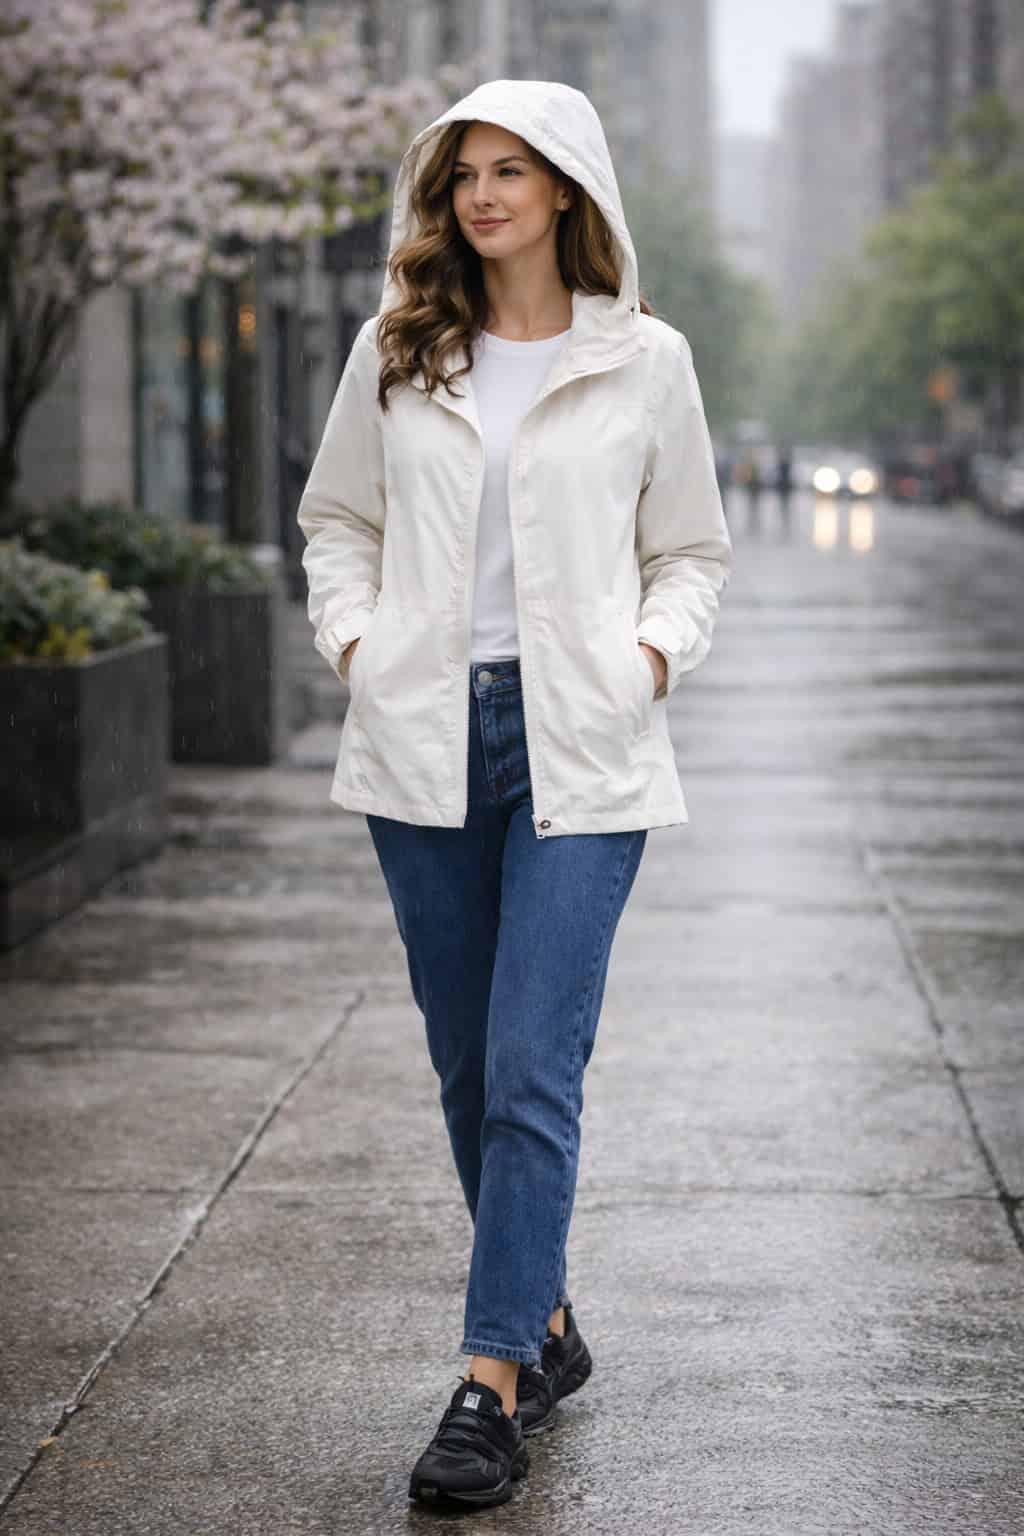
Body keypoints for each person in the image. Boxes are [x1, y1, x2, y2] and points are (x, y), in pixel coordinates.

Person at [297, 77, 732, 1511]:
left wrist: (646, 661)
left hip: (581, 748)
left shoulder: (646, 360)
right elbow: (337, 521)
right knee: (468, 1068)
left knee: (534, 1063)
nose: (482, 196)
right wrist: (359, 648)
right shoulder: (400, 348)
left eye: (509, 172)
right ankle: (542, 1316)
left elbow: (691, 553)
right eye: (465, 174)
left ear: (565, 191)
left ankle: (489, 1389)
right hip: (425, 733)